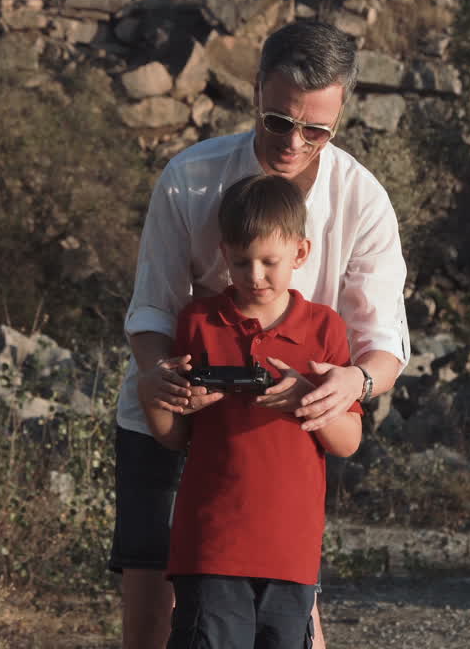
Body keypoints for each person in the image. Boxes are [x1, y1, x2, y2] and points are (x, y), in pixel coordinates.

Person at [112, 19, 410, 649]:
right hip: (172, 412)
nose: (295, 141)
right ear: (255, 91)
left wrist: (353, 382)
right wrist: (157, 377)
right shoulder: (191, 178)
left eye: (316, 129)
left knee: (292, 614)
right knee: (152, 622)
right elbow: (153, 310)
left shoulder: (363, 201)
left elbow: (385, 341)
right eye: (279, 121)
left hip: (284, 431)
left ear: (341, 115)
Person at [144, 174, 363, 648]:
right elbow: (174, 435)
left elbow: (348, 441)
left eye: (270, 262)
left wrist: (308, 399)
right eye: (242, 262)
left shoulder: (325, 329)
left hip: (291, 553)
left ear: (301, 254)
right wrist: (154, 392)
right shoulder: (198, 321)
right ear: (223, 254)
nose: (255, 276)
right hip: (209, 547)